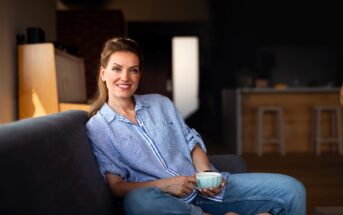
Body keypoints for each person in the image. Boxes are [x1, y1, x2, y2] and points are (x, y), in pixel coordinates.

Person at [86, 37, 306, 215]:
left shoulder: (160, 103)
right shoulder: (98, 126)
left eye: (133, 70)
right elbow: (116, 187)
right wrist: (166, 185)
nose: (125, 77)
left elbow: (192, 143)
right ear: (103, 73)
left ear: (139, 75)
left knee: (293, 190)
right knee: (138, 201)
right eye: (117, 69)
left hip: (207, 191)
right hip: (164, 203)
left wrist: (206, 173)